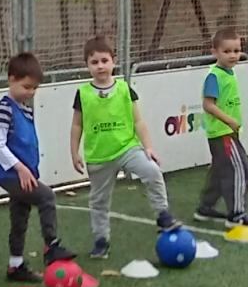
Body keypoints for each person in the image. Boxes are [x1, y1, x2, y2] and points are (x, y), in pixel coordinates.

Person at [69, 34, 177, 256]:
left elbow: (138, 121)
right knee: (99, 201)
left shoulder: (125, 89)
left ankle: (163, 215)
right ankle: (101, 240)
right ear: (87, 65)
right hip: (99, 156)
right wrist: (74, 153)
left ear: (114, 61)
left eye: (104, 60)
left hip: (127, 148)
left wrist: (148, 147)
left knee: (152, 171)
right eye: (94, 62)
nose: (100, 66)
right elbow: (77, 126)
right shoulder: (83, 94)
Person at [0, 50, 74, 285]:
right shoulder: (3, 109)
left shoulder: (25, 109)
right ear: (11, 79)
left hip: (23, 174)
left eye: (35, 88)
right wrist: (20, 168)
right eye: (26, 87)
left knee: (20, 216)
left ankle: (15, 265)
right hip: (10, 174)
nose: (31, 92)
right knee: (46, 197)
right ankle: (51, 246)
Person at [196, 31, 248, 226]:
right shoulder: (214, 76)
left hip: (227, 133)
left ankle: (205, 207)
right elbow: (208, 105)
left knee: (220, 171)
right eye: (227, 51)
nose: (233, 55)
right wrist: (229, 121)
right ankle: (237, 214)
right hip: (223, 133)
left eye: (236, 51)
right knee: (240, 169)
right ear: (215, 52)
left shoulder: (229, 73)